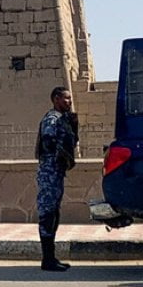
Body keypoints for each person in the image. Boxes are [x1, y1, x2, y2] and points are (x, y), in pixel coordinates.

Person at [35, 86, 79, 272]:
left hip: (56, 170)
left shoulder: (64, 119)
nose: (69, 101)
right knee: (48, 213)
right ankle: (47, 259)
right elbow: (48, 140)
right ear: (56, 99)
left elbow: (71, 142)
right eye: (65, 98)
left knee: (54, 213)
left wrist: (72, 128)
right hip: (49, 171)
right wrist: (60, 153)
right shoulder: (52, 118)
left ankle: (51, 258)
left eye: (70, 98)